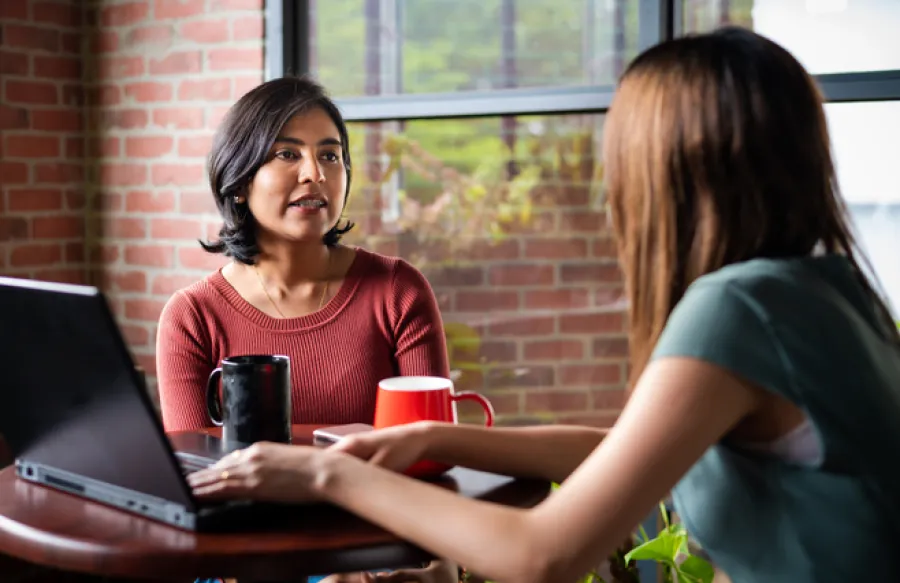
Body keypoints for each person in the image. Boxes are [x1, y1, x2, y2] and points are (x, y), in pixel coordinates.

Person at [185, 27, 900, 583]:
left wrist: (327, 470)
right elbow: (625, 448)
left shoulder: (738, 310)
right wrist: (438, 437)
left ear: (677, 168)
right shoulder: (827, 288)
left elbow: (544, 556)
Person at [155, 76, 457, 582]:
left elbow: (435, 456)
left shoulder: (398, 290)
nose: (315, 173)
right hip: (240, 558)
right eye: (287, 155)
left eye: (330, 155)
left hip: (376, 548)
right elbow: (196, 489)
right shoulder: (191, 316)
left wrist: (437, 569)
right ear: (239, 179)